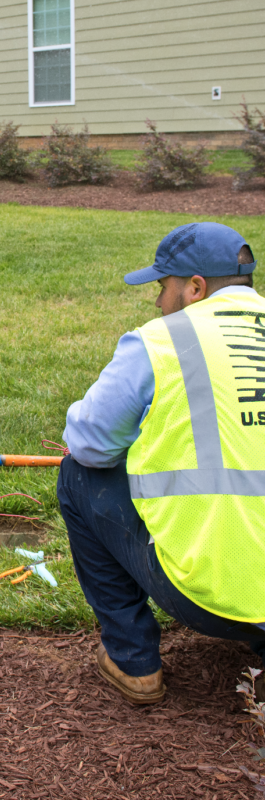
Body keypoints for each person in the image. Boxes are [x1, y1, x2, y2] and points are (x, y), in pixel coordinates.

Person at [58, 221, 265, 704]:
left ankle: (134, 664)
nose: (158, 302)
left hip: (211, 595)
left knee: (76, 474)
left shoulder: (163, 340)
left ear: (195, 288)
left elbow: (89, 444)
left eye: (163, 286)